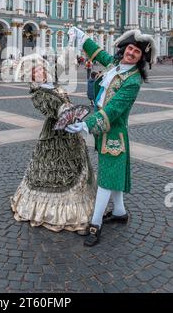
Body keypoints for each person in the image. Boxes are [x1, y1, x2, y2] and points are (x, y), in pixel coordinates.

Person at [66, 27, 156, 247]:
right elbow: (99, 53)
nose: (132, 53)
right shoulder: (115, 67)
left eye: (137, 52)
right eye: (131, 48)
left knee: (106, 179)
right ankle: (119, 212)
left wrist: (86, 125)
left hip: (113, 133)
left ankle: (95, 224)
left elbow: (114, 110)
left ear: (141, 58)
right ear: (125, 49)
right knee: (113, 174)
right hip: (105, 131)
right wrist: (81, 37)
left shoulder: (133, 81)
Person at [11, 55, 96, 233]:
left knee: (76, 167)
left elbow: (64, 97)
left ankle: (80, 206)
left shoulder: (53, 86)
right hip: (54, 135)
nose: (40, 72)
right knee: (54, 172)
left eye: (42, 69)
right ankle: (53, 212)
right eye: (36, 71)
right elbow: (51, 108)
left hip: (70, 133)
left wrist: (72, 115)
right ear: (32, 76)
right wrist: (65, 112)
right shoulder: (38, 93)